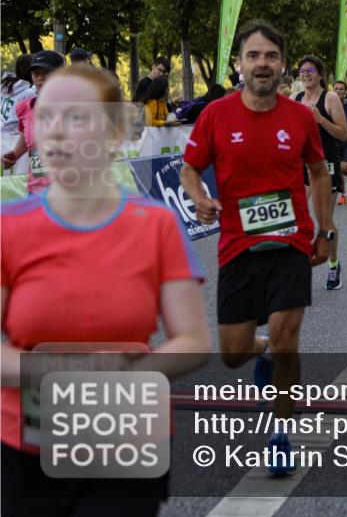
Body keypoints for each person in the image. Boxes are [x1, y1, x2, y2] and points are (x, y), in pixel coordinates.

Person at [1, 64, 210, 516]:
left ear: (115, 134)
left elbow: (193, 340)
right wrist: (52, 372)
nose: (55, 132)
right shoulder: (8, 229)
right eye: (47, 117)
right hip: (24, 445)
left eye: (76, 117)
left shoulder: (156, 225)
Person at [180, 21, 334, 476]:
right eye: (253, 56)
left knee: (289, 339)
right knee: (231, 352)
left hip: (289, 241)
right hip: (236, 245)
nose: (262, 63)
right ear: (240, 64)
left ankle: (279, 434)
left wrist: (325, 230)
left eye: (270, 55)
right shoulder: (216, 115)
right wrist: (198, 197)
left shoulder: (301, 117)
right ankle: (261, 349)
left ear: (282, 63)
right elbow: (190, 169)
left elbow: (320, 174)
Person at [294, 56, 347, 284]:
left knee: (324, 219)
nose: (305, 74)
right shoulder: (295, 99)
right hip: (301, 165)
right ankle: (296, 266)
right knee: (294, 215)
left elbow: (343, 134)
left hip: (326, 165)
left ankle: (333, 263)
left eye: (310, 70)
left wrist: (320, 120)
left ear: (319, 74)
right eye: (302, 71)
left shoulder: (331, 98)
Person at [2, 50, 64, 193]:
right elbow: (26, 132)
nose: (40, 78)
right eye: (36, 74)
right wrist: (15, 155)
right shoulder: (24, 107)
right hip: (36, 188)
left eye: (46, 73)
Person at [1, 55, 35, 174]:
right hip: (17, 141)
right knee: (19, 180)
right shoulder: (28, 93)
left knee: (6, 179)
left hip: (3, 137)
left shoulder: (5, 86)